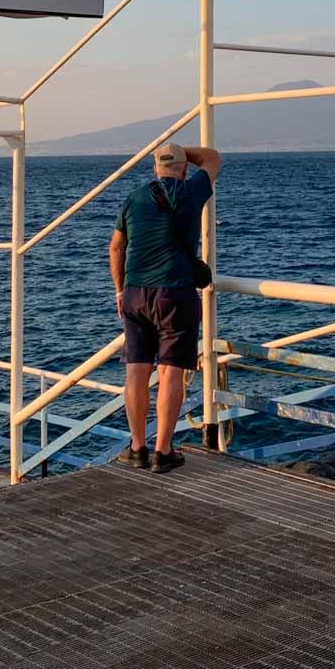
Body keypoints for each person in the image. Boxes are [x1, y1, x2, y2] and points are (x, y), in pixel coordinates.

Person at [109, 140, 222, 472]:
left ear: (155, 169)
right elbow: (214, 158)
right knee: (170, 372)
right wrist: (184, 152)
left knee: (136, 370)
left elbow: (115, 248)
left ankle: (137, 447)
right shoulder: (191, 190)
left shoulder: (135, 198)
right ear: (184, 169)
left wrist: (119, 291)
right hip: (174, 294)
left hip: (134, 293)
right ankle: (163, 451)